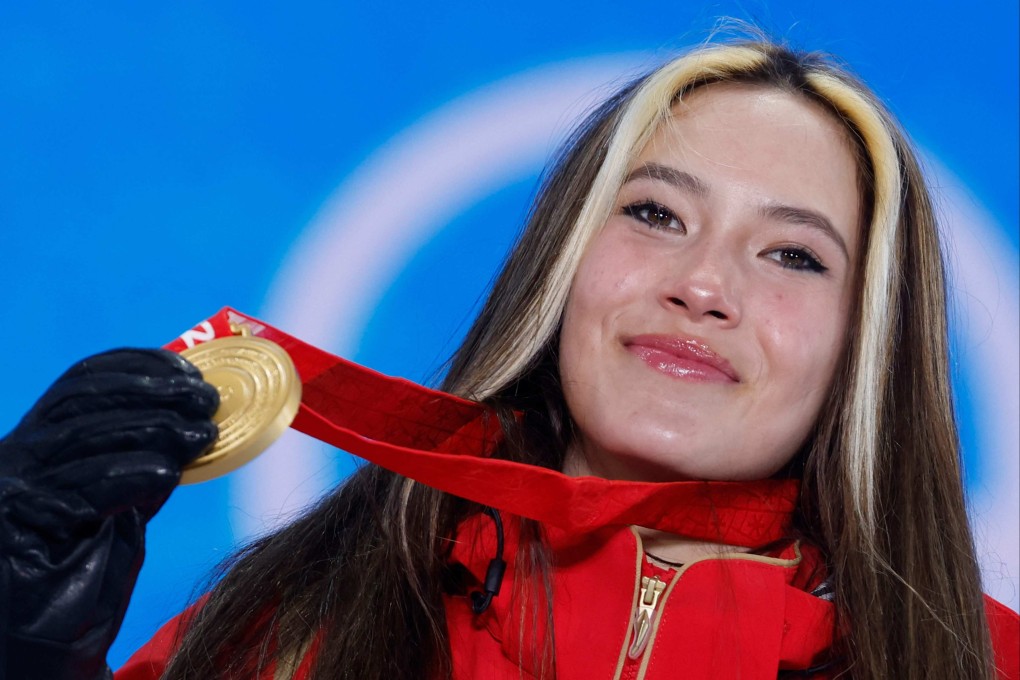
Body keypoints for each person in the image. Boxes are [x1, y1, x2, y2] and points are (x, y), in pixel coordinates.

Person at [1, 38, 1017, 680]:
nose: (704, 284)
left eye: (793, 254)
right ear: (562, 267)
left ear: (864, 347)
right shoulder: (302, 620)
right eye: (656, 214)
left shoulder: (983, 660)